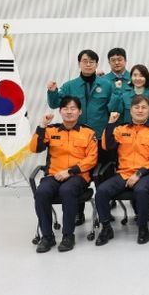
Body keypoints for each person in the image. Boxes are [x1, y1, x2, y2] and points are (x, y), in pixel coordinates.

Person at [47, 49, 115, 225]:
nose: (88, 64)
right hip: (77, 140)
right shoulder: (70, 86)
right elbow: (55, 104)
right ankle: (78, 212)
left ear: (97, 64)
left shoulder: (106, 85)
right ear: (79, 63)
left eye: (92, 61)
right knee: (75, 176)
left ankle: (104, 212)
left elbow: (114, 107)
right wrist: (52, 91)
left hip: (100, 138)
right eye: (85, 61)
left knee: (103, 177)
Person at [95, 95, 149, 245]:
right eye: (136, 107)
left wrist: (139, 174)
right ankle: (106, 228)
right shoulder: (121, 129)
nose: (140, 110)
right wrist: (110, 124)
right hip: (123, 173)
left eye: (144, 107)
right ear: (130, 110)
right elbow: (106, 146)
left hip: (146, 174)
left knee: (141, 191)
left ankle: (143, 228)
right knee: (101, 191)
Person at [30, 97, 97, 253]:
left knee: (67, 190)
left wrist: (70, 171)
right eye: (65, 108)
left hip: (78, 176)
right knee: (41, 192)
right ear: (60, 111)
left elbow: (92, 159)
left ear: (80, 112)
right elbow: (34, 148)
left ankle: (68, 235)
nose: (69, 112)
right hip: (54, 175)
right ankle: (47, 237)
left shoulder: (88, 133)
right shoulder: (51, 130)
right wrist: (42, 126)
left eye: (73, 108)